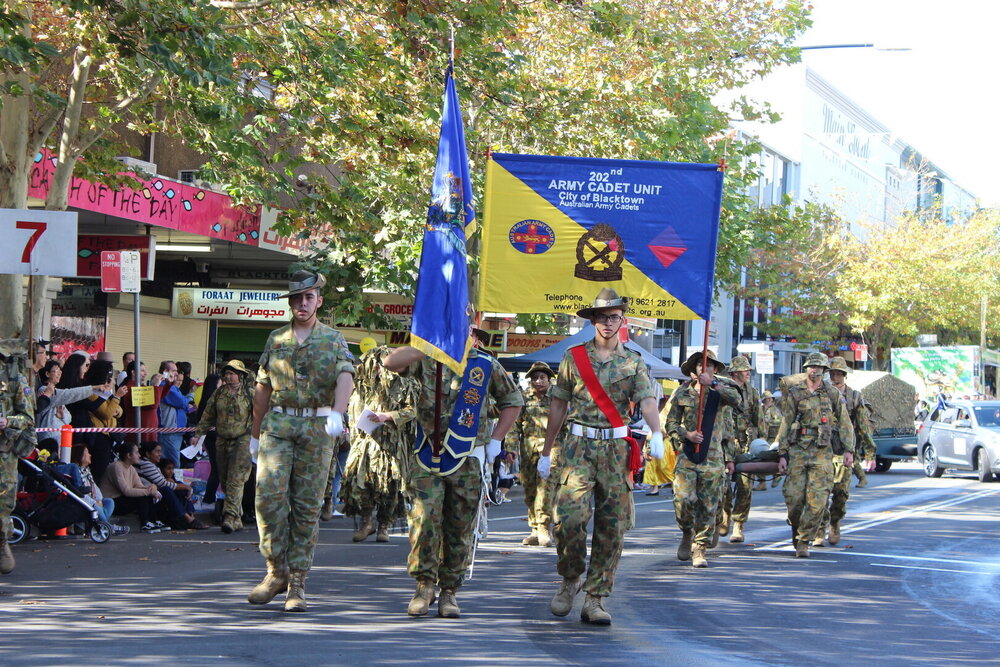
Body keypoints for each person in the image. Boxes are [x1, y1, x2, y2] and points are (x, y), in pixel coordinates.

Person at [538, 288, 662, 625]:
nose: (607, 323)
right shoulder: (573, 357)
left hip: (616, 451)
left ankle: (595, 598)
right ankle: (569, 578)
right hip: (578, 448)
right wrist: (547, 449)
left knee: (612, 527)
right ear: (592, 320)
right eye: (601, 317)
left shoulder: (633, 361)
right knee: (568, 520)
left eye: (613, 317)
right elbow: (559, 404)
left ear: (622, 320)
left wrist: (657, 431)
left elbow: (647, 400)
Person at [383, 320, 523, 619]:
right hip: (428, 456)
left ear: (474, 333)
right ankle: (423, 586)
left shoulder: (486, 364)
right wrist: (424, 346)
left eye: (467, 329)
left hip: (467, 457)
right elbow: (391, 362)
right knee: (424, 522)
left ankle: (449, 591)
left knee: (460, 527)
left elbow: (512, 401)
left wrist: (497, 440)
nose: (462, 333)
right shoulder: (428, 357)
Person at [248, 269, 355, 612]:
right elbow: (262, 388)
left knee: (306, 507)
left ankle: (297, 582)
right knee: (268, 501)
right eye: (296, 298)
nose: (302, 303)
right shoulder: (276, 339)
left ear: (319, 301)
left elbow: (345, 376)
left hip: (317, 427)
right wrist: (254, 434)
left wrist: (338, 412)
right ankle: (274, 572)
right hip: (279, 424)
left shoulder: (333, 338)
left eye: (308, 297)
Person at [776, 352, 855, 558]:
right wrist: (782, 453)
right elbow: (786, 423)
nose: (814, 370)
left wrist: (849, 450)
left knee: (818, 501)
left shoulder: (832, 394)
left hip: (822, 452)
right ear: (806, 369)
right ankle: (796, 527)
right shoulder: (795, 393)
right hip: (798, 450)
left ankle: (804, 540)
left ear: (824, 371)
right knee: (794, 498)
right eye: (811, 367)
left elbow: (845, 422)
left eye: (819, 368)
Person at [666, 351, 739, 567]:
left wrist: (715, 385)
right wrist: (685, 434)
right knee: (683, 499)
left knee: (709, 504)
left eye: (708, 365)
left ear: (714, 369)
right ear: (694, 369)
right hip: (687, 456)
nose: (703, 368)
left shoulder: (721, 392)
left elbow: (737, 401)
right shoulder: (682, 393)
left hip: (713, 456)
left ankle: (700, 548)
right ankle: (687, 532)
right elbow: (670, 423)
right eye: (699, 364)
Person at [341, 346, 420, 544]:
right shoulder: (360, 384)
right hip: (364, 442)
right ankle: (366, 522)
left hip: (392, 444)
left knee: (390, 486)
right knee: (362, 483)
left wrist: (388, 416)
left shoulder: (405, 383)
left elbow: (413, 409)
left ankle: (384, 525)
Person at [816, 357, 875, 546]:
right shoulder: (820, 394)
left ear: (845, 375)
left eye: (839, 373)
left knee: (840, 493)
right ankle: (819, 528)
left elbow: (863, 426)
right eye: (832, 373)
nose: (835, 377)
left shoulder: (854, 397)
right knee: (820, 492)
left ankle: (835, 522)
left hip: (844, 451)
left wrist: (868, 451)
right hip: (822, 450)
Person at [193, 360, 253, 533]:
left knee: (236, 477)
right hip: (222, 439)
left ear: (240, 376)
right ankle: (237, 516)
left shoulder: (250, 393)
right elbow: (208, 414)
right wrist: (198, 434)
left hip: (243, 439)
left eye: (232, 373)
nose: (228, 376)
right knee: (225, 479)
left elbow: (261, 415)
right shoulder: (219, 393)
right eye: (226, 373)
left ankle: (229, 517)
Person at [510, 361, 557, 547]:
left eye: (542, 377)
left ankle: (545, 527)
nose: (538, 381)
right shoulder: (523, 398)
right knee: (530, 489)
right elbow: (514, 424)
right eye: (535, 378)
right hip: (528, 448)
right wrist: (511, 448)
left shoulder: (558, 398)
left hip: (553, 447)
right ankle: (535, 529)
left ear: (549, 379)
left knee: (545, 489)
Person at [1, 339, 36, 574]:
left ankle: (2, 542)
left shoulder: (13, 378)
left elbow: (28, 418)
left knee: (3, 504)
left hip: (3, 454)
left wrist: (7, 421)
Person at [136, 441, 206, 530]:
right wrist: (187, 487)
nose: (160, 454)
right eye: (157, 451)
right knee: (167, 489)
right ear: (148, 454)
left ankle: (190, 515)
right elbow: (162, 484)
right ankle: (188, 519)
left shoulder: (152, 465)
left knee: (179, 487)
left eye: (160, 451)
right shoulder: (146, 464)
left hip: (156, 495)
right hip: (150, 496)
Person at [99, 441, 161, 533]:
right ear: (128, 455)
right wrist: (149, 491)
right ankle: (145, 523)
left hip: (121, 498)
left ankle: (153, 521)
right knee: (143, 496)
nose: (139, 455)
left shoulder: (131, 467)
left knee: (149, 495)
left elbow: (138, 485)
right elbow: (126, 491)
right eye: (136, 452)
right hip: (112, 501)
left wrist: (152, 487)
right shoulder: (116, 466)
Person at [71, 445, 129, 536]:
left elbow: (95, 486)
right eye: (87, 453)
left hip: (93, 499)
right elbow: (80, 492)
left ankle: (102, 525)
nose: (90, 455)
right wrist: (95, 502)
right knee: (95, 506)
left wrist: (99, 499)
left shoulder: (87, 470)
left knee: (109, 501)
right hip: (83, 500)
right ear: (80, 456)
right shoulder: (75, 471)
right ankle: (109, 527)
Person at [156, 361, 187, 467]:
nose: (176, 374)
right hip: (169, 432)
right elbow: (182, 402)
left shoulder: (173, 386)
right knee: (173, 464)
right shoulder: (164, 385)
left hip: (175, 431)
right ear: (165, 371)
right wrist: (185, 401)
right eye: (173, 371)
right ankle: (173, 483)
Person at [761, 390, 783, 488]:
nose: (769, 400)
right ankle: (762, 482)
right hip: (762, 436)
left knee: (773, 457)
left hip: (772, 437)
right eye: (767, 399)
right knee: (760, 458)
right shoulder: (761, 409)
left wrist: (769, 424)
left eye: (770, 398)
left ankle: (776, 475)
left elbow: (779, 422)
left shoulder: (775, 410)